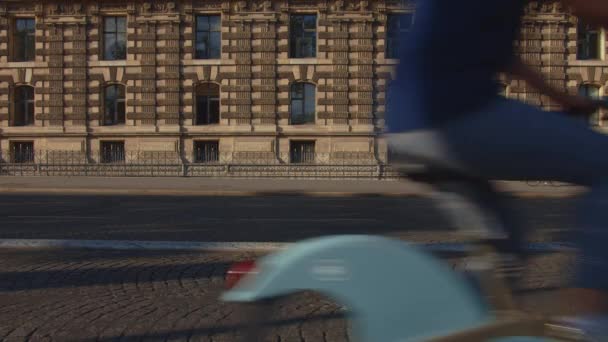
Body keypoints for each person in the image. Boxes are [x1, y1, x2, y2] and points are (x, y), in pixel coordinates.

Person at [385, 0, 608, 339]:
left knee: (505, 246)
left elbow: (503, 55)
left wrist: (560, 97)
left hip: (409, 124)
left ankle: (451, 325)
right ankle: (593, 321)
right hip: (455, 115)